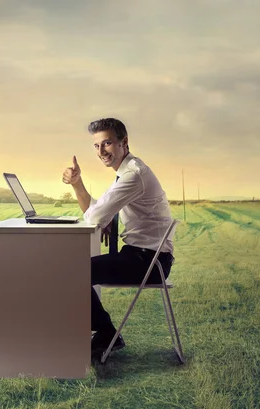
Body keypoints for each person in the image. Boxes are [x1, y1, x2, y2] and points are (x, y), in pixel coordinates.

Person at [62, 117, 175, 357]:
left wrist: (104, 218)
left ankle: (106, 334)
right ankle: (105, 333)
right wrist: (77, 183)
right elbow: (97, 210)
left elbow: (94, 217)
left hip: (150, 262)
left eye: (107, 143)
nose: (101, 151)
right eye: (96, 146)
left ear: (124, 142)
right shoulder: (126, 173)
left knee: (73, 272)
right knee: (75, 271)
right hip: (142, 256)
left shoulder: (134, 175)